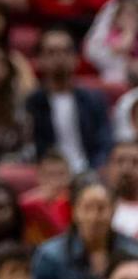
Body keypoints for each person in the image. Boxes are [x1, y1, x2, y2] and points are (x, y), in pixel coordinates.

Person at [33, 177, 138, 279]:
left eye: (101, 208)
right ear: (74, 211)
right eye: (87, 208)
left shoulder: (133, 250)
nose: (94, 217)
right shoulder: (50, 255)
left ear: (113, 211)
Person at [26, 28, 113, 173]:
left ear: (76, 58)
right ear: (39, 60)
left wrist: (95, 170)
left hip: (89, 171)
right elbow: (33, 148)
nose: (59, 57)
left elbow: (104, 143)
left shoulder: (94, 100)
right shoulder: (32, 103)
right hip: (48, 173)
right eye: (51, 52)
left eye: (65, 51)